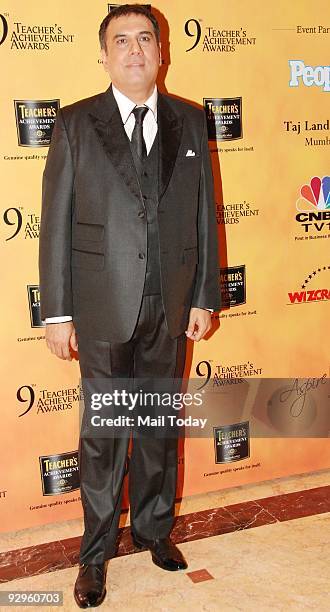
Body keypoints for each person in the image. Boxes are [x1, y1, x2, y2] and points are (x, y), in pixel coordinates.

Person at [39, 4, 220, 608]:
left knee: (158, 428)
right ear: (105, 55)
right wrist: (57, 312)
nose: (136, 49)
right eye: (123, 40)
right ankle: (94, 553)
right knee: (103, 434)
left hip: (169, 304)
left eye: (147, 38)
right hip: (99, 307)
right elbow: (56, 223)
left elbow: (203, 214)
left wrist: (203, 296)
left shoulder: (192, 122)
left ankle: (152, 530)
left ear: (162, 51)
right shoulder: (76, 123)